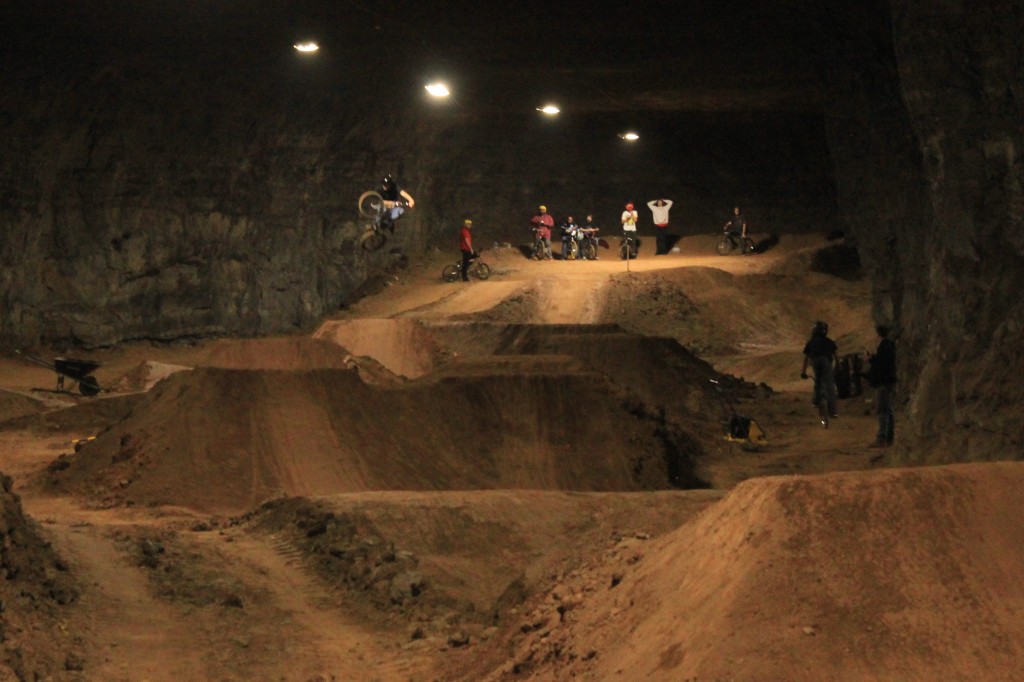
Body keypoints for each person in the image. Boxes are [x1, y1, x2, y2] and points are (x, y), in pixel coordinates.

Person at [801, 320, 839, 424]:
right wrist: (838, 367)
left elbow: (806, 359)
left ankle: (816, 401)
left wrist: (803, 372)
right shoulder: (829, 341)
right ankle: (832, 411)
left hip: (815, 361)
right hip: (826, 361)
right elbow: (836, 356)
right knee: (829, 385)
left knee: (817, 381)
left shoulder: (810, 342)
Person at [865, 325, 897, 447]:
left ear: (878, 334)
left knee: (882, 409)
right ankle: (889, 437)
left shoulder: (884, 346)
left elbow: (882, 364)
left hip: (883, 381)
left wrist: (871, 359)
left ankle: (881, 438)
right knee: (888, 409)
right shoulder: (889, 345)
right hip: (888, 381)